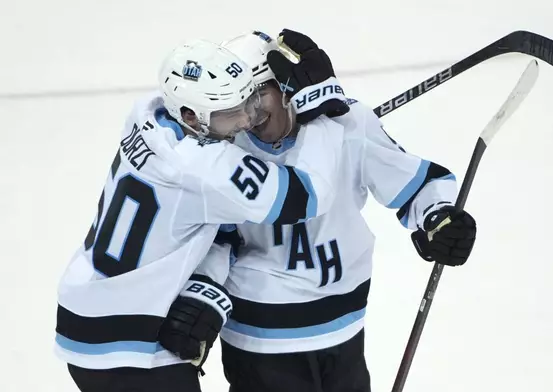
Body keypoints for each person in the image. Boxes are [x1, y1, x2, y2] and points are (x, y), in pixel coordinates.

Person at [54, 35, 351, 392]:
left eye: (248, 103)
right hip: (133, 346)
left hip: (87, 317)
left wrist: (207, 281)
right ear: (191, 115)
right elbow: (309, 195)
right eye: (230, 114)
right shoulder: (204, 168)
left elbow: (209, 218)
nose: (245, 120)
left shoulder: (147, 113)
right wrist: (318, 113)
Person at [194, 29, 478, 392]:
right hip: (261, 342)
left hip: (344, 331)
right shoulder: (225, 148)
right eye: (240, 101)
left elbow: (414, 181)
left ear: (286, 86)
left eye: (259, 94)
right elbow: (216, 237)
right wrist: (200, 296)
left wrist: (438, 217)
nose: (250, 113)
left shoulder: (348, 124)